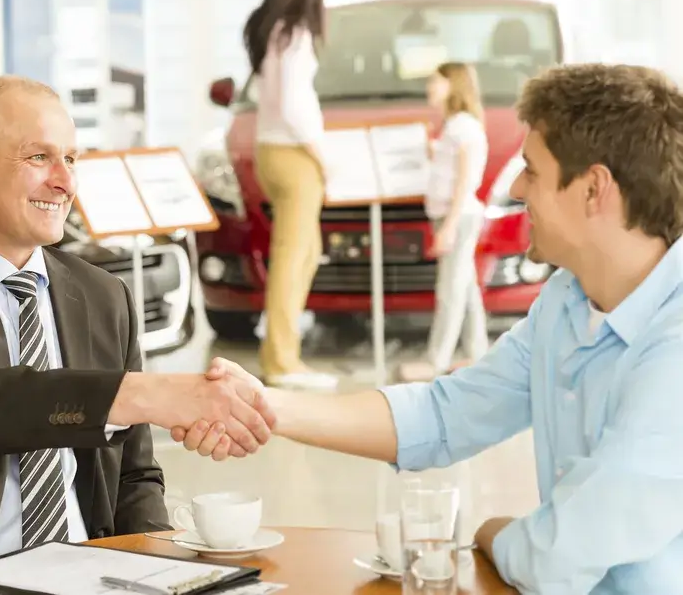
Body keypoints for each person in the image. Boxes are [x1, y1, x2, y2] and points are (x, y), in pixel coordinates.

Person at [176, 63, 683, 593]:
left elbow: (558, 553)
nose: (514, 187)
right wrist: (263, 405)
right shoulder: (565, 301)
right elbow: (446, 414)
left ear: (593, 189)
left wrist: (492, 533)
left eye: (531, 170)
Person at [0, 76, 276, 594]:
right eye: (38, 158)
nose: (65, 182)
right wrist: (144, 394)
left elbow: (133, 477)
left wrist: (162, 573)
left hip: (93, 576)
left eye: (72, 159)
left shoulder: (102, 295)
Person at [244, 0, 328, 383]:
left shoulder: (273, 31)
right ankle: (281, 360)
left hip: (270, 150)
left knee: (304, 252)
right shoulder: (295, 34)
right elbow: (295, 104)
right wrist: (319, 152)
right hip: (294, 154)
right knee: (294, 257)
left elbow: (265, 96)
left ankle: (282, 351)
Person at [421, 62, 490, 376]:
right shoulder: (454, 126)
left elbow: (464, 182)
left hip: (458, 218)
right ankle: (480, 353)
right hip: (453, 216)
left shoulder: (463, 127)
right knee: (466, 288)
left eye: (436, 82)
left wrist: (448, 226)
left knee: (450, 290)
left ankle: (435, 360)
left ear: (454, 85)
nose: (429, 88)